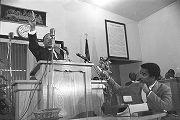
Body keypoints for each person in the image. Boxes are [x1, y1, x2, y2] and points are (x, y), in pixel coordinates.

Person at [105, 63, 172, 115]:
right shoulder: (136, 86)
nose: (140, 76)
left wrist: (149, 92)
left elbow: (166, 107)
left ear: (153, 77)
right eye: (140, 73)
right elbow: (119, 90)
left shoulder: (164, 89)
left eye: (144, 74)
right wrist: (108, 78)